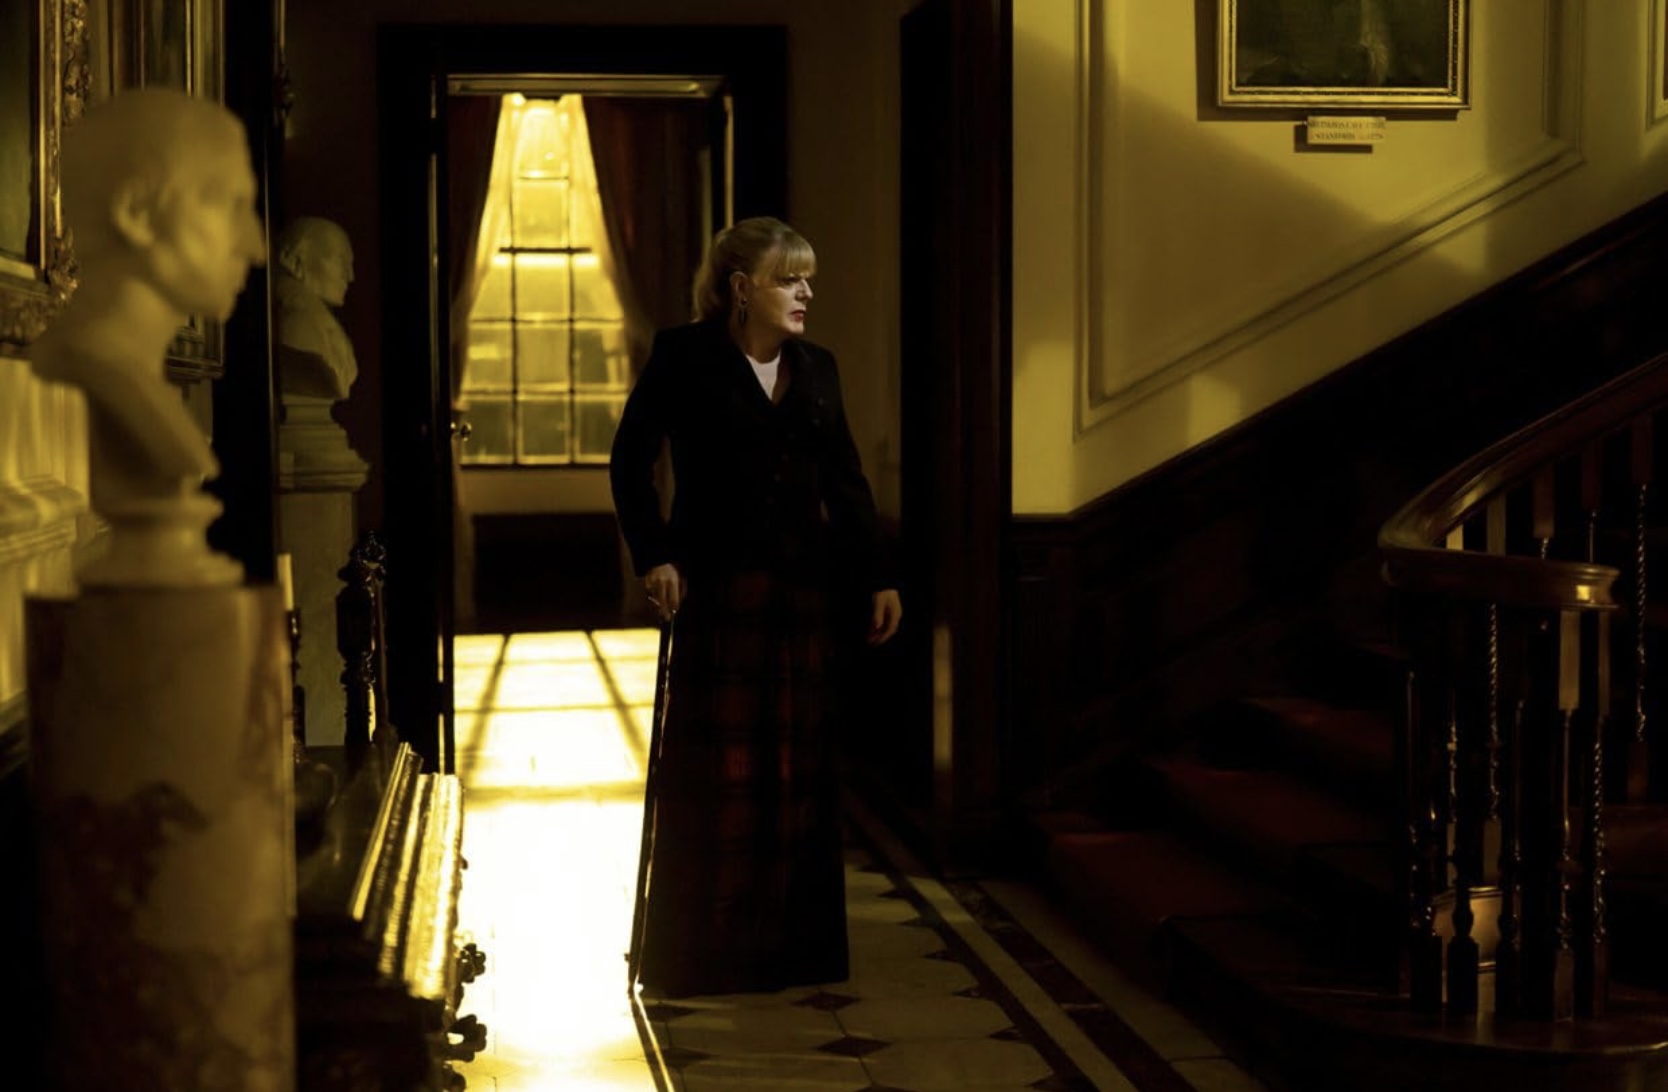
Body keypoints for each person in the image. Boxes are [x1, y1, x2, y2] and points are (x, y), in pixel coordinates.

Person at [610, 215, 903, 997]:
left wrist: (877, 576)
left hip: (804, 596)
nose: (805, 293)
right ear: (741, 288)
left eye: (808, 279)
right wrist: (656, 554)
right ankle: (705, 950)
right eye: (788, 279)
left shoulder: (817, 367)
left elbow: (845, 479)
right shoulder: (685, 356)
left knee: (796, 771)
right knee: (722, 775)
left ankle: (791, 949)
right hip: (717, 592)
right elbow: (630, 461)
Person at [29, 88, 266, 585]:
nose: (255, 246)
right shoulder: (102, 368)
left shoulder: (138, 383)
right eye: (230, 204)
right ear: (136, 211)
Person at [274, 216, 358, 402]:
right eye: (340, 260)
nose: (349, 276)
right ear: (295, 259)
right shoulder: (295, 321)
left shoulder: (319, 321)